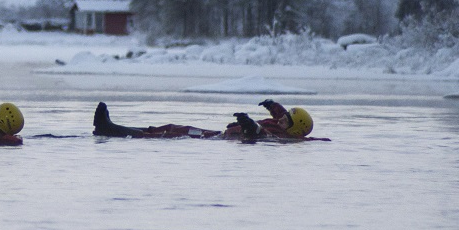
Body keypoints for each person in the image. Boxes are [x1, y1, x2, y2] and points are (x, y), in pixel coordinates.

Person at [91, 100, 323, 141]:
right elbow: (278, 117)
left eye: (286, 120)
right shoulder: (284, 126)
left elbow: (264, 135)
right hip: (215, 134)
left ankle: (110, 130)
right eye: (283, 116)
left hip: (215, 139)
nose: (281, 120)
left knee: (173, 134)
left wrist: (251, 125)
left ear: (295, 130)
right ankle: (115, 128)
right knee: (172, 127)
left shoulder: (282, 138)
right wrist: (274, 106)